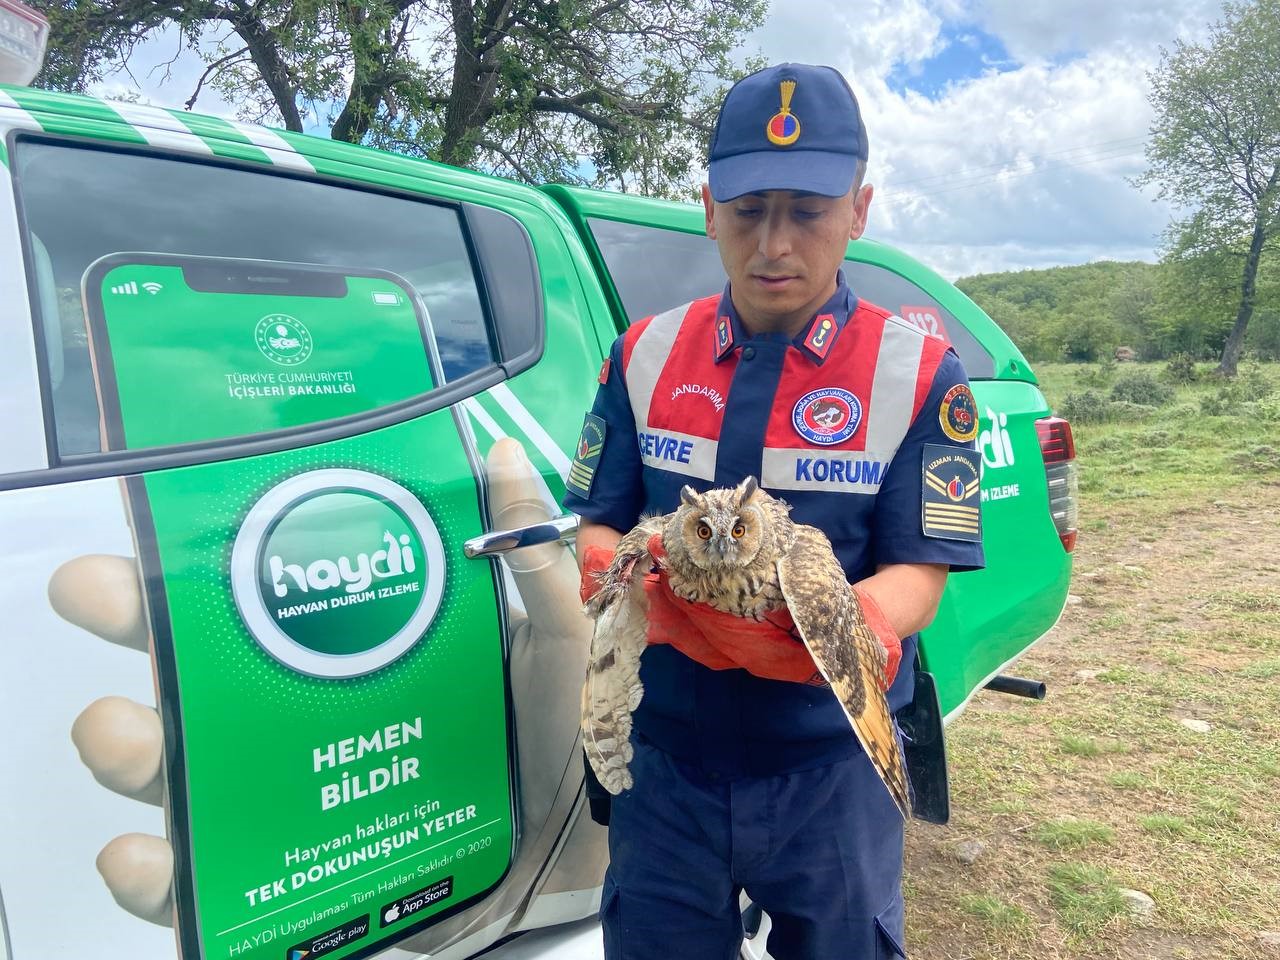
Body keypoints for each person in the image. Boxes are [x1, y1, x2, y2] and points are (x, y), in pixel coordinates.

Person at [562, 62, 985, 960]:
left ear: (859, 210)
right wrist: (636, 598)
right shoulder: (641, 354)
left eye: (808, 211)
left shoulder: (920, 375)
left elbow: (922, 569)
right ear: (710, 206)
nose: (775, 245)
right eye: (750, 212)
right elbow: (596, 522)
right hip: (666, 760)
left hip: (829, 764)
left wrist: (843, 626)